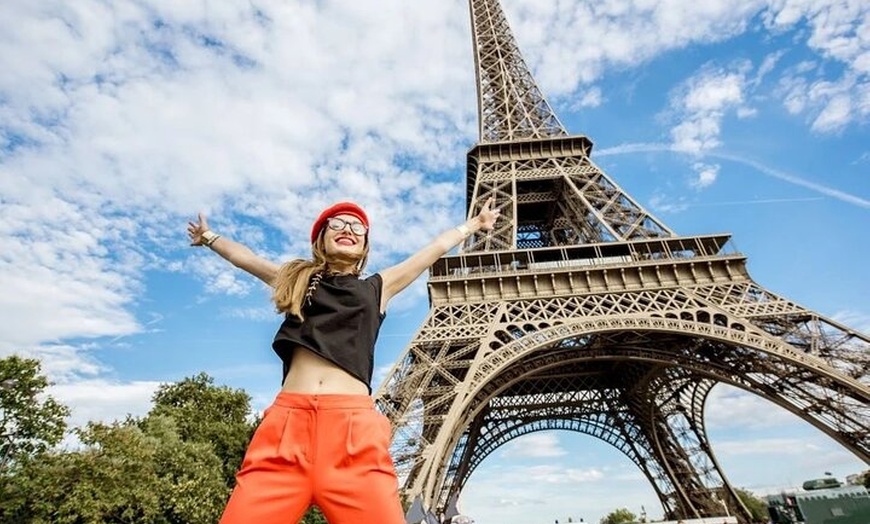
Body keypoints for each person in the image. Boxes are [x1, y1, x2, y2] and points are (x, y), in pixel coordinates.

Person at [187, 198, 500, 524]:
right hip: (285, 433)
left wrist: (474, 226)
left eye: (357, 227)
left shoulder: (378, 287)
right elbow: (246, 259)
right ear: (320, 239)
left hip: (354, 438)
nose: (347, 229)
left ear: (365, 245)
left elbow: (431, 250)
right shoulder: (298, 282)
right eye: (336, 224)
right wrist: (209, 238)